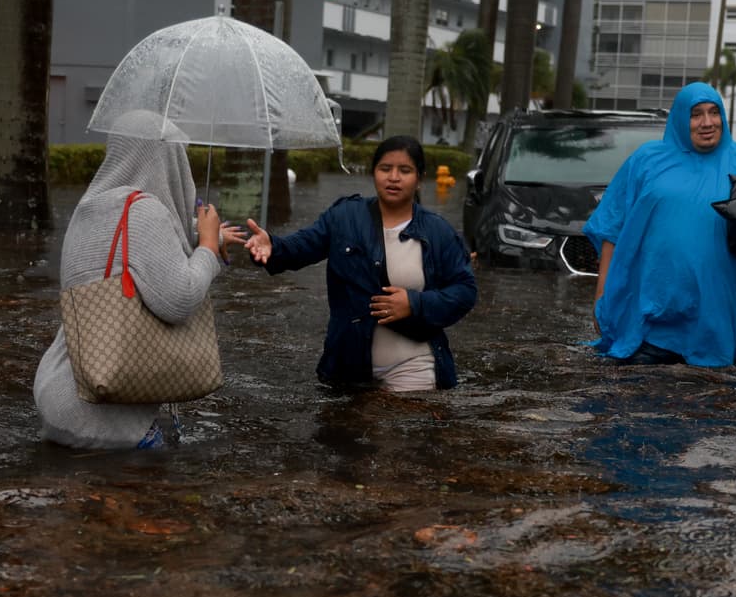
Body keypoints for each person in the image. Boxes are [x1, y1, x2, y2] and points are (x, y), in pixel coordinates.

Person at [33, 110, 244, 448]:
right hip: (105, 418)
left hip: (60, 390)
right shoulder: (145, 211)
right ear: (165, 157)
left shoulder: (93, 206)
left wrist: (209, 237)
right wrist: (207, 247)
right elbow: (179, 300)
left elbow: (137, 253)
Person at [242, 135, 477, 391]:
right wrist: (272, 247)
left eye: (405, 170)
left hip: (414, 365)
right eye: (385, 168)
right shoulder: (345, 217)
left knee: (397, 417)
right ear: (374, 173)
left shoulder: (438, 232)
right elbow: (301, 247)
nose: (394, 177)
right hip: (348, 366)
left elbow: (464, 291)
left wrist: (415, 303)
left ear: (419, 179)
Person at [583, 82, 736, 367]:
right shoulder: (646, 161)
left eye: (714, 112)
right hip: (648, 320)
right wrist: (601, 295)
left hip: (716, 320)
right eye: (696, 114)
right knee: (636, 392)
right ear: (680, 117)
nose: (707, 122)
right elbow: (612, 229)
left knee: (710, 392)